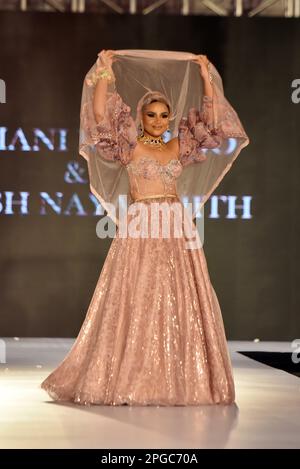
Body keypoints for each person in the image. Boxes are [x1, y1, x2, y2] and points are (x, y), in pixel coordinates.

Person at [41, 49, 249, 406]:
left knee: (179, 298)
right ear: (140, 116)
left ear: (171, 118)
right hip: (140, 225)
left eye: (163, 115)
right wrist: (105, 72)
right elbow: (99, 115)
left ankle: (183, 378)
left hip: (175, 226)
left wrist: (205, 78)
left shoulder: (178, 146)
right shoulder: (129, 145)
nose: (156, 120)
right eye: (150, 114)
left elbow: (214, 125)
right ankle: (129, 375)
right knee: (134, 297)